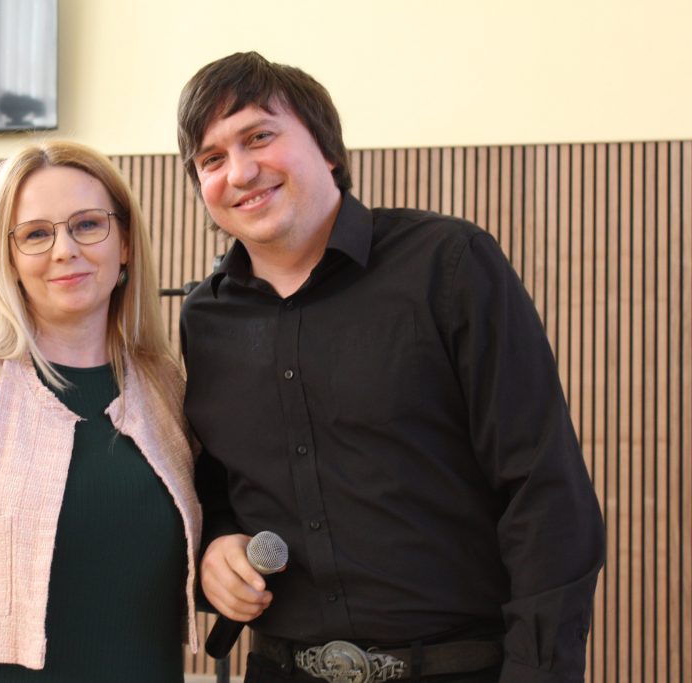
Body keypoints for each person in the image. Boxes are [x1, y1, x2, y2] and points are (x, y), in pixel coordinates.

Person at [177, 52, 604, 683]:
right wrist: (217, 543)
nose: (239, 171)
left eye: (259, 136)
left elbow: (544, 491)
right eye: (211, 159)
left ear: (327, 149)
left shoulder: (449, 264)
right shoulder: (205, 318)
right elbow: (214, 487)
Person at [0, 141, 201, 682]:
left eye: (87, 225)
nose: (64, 250)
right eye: (35, 234)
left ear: (125, 242)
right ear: (7, 259)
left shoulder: (166, 388)